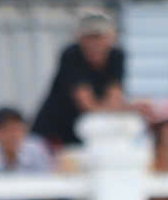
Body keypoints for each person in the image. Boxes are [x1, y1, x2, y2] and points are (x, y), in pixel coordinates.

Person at [31, 9, 125, 151]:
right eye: (89, 37)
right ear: (79, 38)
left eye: (99, 37)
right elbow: (86, 104)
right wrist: (120, 110)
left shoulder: (117, 56)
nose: (94, 43)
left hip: (85, 133)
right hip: (55, 131)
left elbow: (114, 97)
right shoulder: (71, 55)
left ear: (111, 38)